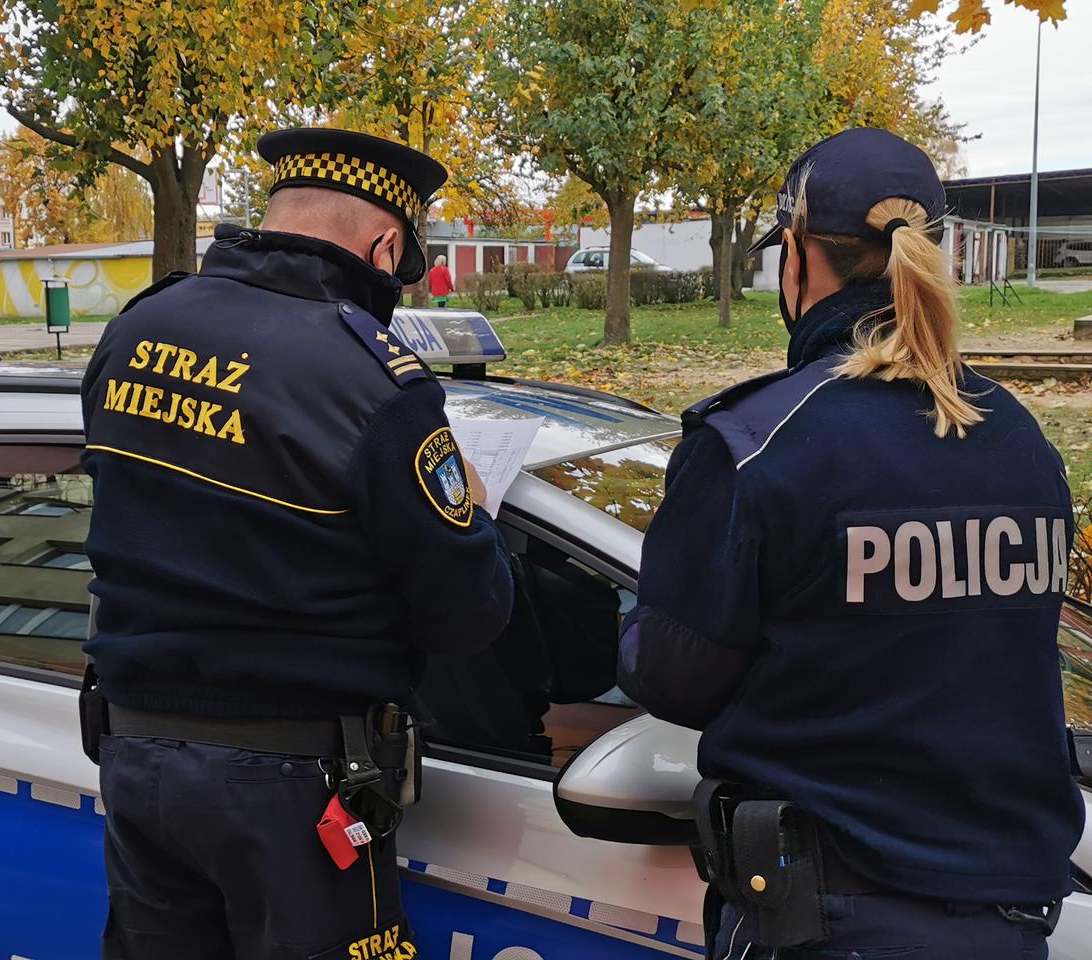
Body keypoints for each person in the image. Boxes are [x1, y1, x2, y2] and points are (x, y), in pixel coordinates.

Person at [618, 128, 1084, 960]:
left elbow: (673, 676)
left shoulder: (757, 441)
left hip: (827, 919)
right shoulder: (1018, 437)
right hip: (1009, 921)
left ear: (796, 256)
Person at [79, 127, 515, 960]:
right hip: (293, 787)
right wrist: (478, 509)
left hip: (135, 758)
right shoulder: (371, 377)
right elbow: (469, 616)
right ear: (387, 244)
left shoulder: (137, 328)